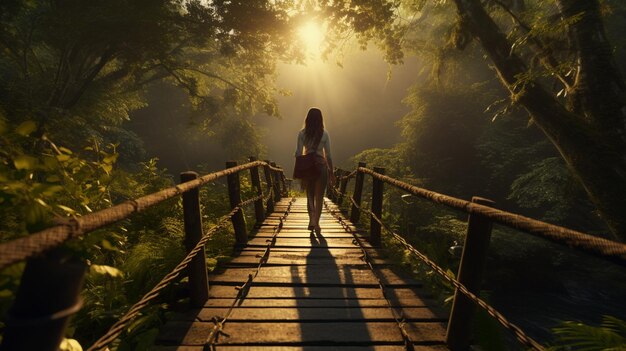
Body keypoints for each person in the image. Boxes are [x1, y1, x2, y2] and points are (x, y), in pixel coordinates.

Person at [294, 108, 335, 232]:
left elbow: (298, 153)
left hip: (307, 167)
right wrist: (331, 172)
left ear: (307, 118)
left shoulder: (302, 133)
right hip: (321, 166)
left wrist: (300, 171)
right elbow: (328, 155)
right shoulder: (325, 134)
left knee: (310, 195)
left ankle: (311, 219)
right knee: (319, 197)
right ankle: (317, 224)